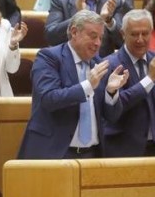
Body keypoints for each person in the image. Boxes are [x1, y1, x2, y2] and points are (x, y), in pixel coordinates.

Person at [17, 10, 128, 159]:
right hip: (54, 153)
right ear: (74, 32)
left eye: (101, 38)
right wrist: (88, 85)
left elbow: (112, 117)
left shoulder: (100, 65)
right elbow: (49, 99)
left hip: (92, 154)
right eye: (93, 36)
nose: (98, 43)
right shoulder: (48, 57)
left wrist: (111, 93)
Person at [102, 9, 155, 157]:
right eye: (134, 34)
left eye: (145, 34)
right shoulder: (110, 65)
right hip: (124, 149)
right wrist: (149, 79)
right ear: (122, 34)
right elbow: (114, 110)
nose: (140, 39)